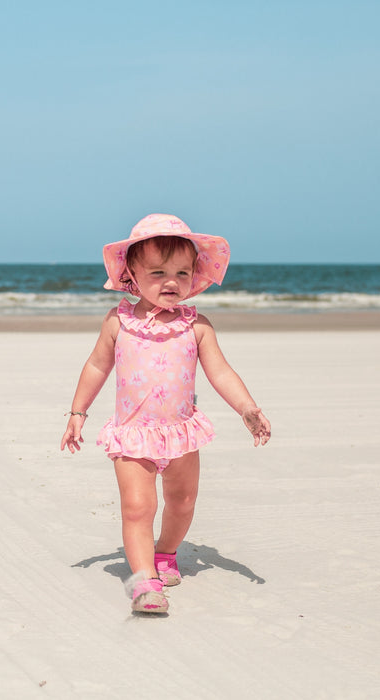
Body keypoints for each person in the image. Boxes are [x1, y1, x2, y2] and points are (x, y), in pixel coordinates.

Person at [60, 213, 271, 614]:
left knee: (183, 502)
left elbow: (222, 372)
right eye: (157, 272)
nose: (170, 281)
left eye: (181, 271)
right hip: (133, 435)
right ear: (132, 275)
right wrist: (77, 412)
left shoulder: (197, 327)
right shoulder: (117, 322)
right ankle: (145, 583)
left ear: (195, 275)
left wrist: (247, 408)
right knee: (138, 509)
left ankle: (166, 552)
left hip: (180, 435)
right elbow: (96, 367)